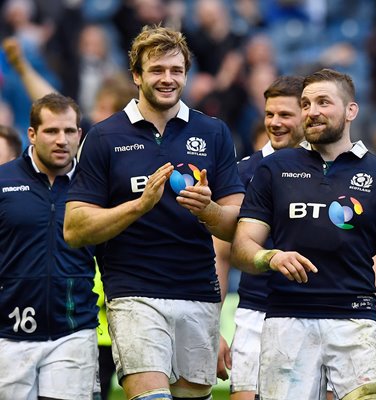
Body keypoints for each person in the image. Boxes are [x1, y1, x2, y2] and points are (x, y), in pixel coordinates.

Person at [63, 25, 245, 400]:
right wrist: (138, 206)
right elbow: (74, 228)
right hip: (134, 292)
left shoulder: (213, 132)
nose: (168, 79)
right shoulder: (104, 136)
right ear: (136, 76)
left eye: (176, 71)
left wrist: (209, 210)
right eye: (157, 70)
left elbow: (235, 226)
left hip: (198, 292)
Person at [230, 68, 376, 400]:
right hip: (286, 324)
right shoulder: (274, 170)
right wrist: (270, 257)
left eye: (323, 102)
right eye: (307, 104)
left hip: (355, 324)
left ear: (351, 110)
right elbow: (241, 247)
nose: (312, 111)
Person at [215, 74, 376, 399]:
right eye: (269, 114)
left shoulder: (344, 173)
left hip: (330, 312)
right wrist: (213, 329)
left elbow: (368, 255)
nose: (275, 123)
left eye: (286, 114)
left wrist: (369, 325)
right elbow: (221, 253)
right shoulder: (245, 173)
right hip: (257, 312)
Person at [0, 93, 99, 399]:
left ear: (80, 135)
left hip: (74, 331)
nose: (62, 140)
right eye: (52, 131)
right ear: (32, 134)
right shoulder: (3, 181)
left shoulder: (95, 185)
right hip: (8, 334)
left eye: (70, 131)